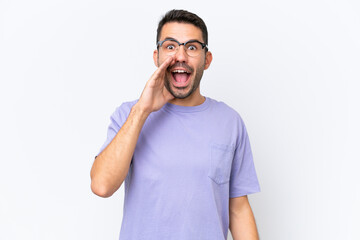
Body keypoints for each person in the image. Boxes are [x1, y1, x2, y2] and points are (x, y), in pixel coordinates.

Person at [90, 9, 261, 240]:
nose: (180, 56)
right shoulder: (129, 115)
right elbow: (101, 185)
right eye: (170, 46)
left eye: (191, 47)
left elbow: (238, 209)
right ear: (156, 56)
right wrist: (143, 110)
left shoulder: (230, 122)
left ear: (206, 59)